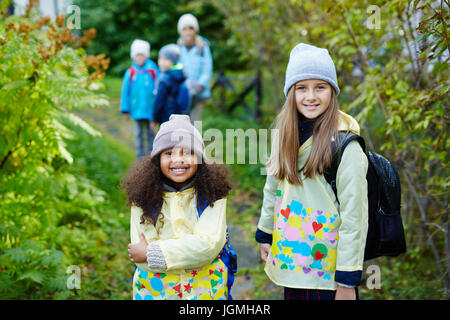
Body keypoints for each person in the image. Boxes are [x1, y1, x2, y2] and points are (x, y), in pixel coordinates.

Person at [255, 43, 368, 300]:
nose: (310, 97)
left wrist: (347, 280)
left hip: (327, 276)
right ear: (291, 93)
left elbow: (355, 217)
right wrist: (266, 233)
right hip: (291, 263)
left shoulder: (345, 145)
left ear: (332, 91)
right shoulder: (284, 135)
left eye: (320, 87)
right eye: (301, 88)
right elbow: (273, 188)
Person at [123, 114, 232, 300]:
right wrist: (189, 254)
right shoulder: (142, 198)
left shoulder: (213, 195)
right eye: (169, 153)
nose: (178, 160)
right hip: (158, 291)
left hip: (204, 290)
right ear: (157, 159)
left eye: (187, 152)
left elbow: (208, 246)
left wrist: (152, 252)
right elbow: (140, 258)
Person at [120, 39, 159, 158]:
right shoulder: (131, 72)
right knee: (138, 134)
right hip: (136, 110)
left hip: (150, 109)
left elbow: (159, 89)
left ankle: (152, 156)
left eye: (142, 54)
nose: (140, 57)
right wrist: (125, 110)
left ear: (146, 55)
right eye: (137, 55)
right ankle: (140, 157)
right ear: (133, 56)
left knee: (151, 133)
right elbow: (125, 92)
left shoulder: (153, 70)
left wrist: (158, 110)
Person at [177, 13, 213, 123]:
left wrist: (200, 84)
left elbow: (207, 68)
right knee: (182, 123)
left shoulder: (202, 47)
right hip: (183, 91)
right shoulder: (178, 47)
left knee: (195, 123)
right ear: (181, 31)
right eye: (185, 29)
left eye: (191, 28)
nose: (188, 32)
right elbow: (176, 67)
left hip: (198, 92)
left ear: (195, 30)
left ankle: (195, 140)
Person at [152, 44, 190, 127]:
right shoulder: (181, 74)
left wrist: (154, 118)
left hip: (166, 116)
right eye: (160, 59)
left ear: (173, 61)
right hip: (180, 116)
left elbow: (159, 100)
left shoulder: (164, 79)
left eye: (166, 59)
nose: (162, 62)